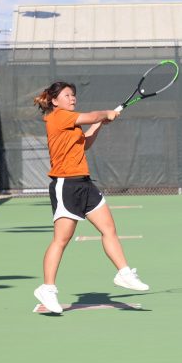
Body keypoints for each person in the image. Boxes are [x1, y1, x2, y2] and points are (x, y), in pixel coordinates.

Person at [32, 81, 149, 314]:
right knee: (61, 240)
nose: (72, 98)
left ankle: (124, 273)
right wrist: (105, 114)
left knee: (109, 229)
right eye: (67, 95)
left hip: (84, 184)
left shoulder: (70, 122)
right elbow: (92, 115)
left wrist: (98, 125)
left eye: (73, 95)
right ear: (54, 101)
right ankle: (47, 288)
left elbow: (83, 144)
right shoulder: (58, 117)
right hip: (66, 185)